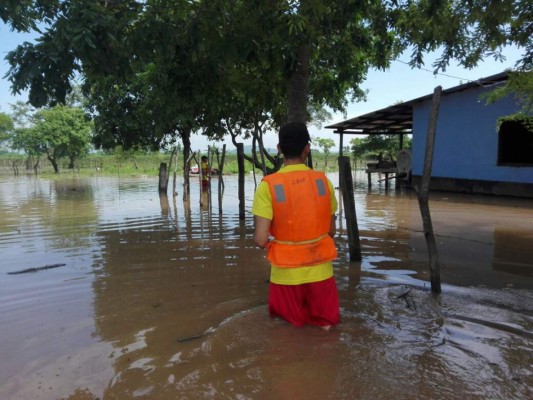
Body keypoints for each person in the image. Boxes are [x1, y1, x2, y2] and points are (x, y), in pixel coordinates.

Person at [252, 122, 340, 330]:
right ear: (307, 148)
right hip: (321, 272)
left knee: (287, 331)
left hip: (285, 274)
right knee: (326, 328)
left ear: (279, 148)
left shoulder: (268, 185)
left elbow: (260, 240)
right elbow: (331, 231)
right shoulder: (323, 183)